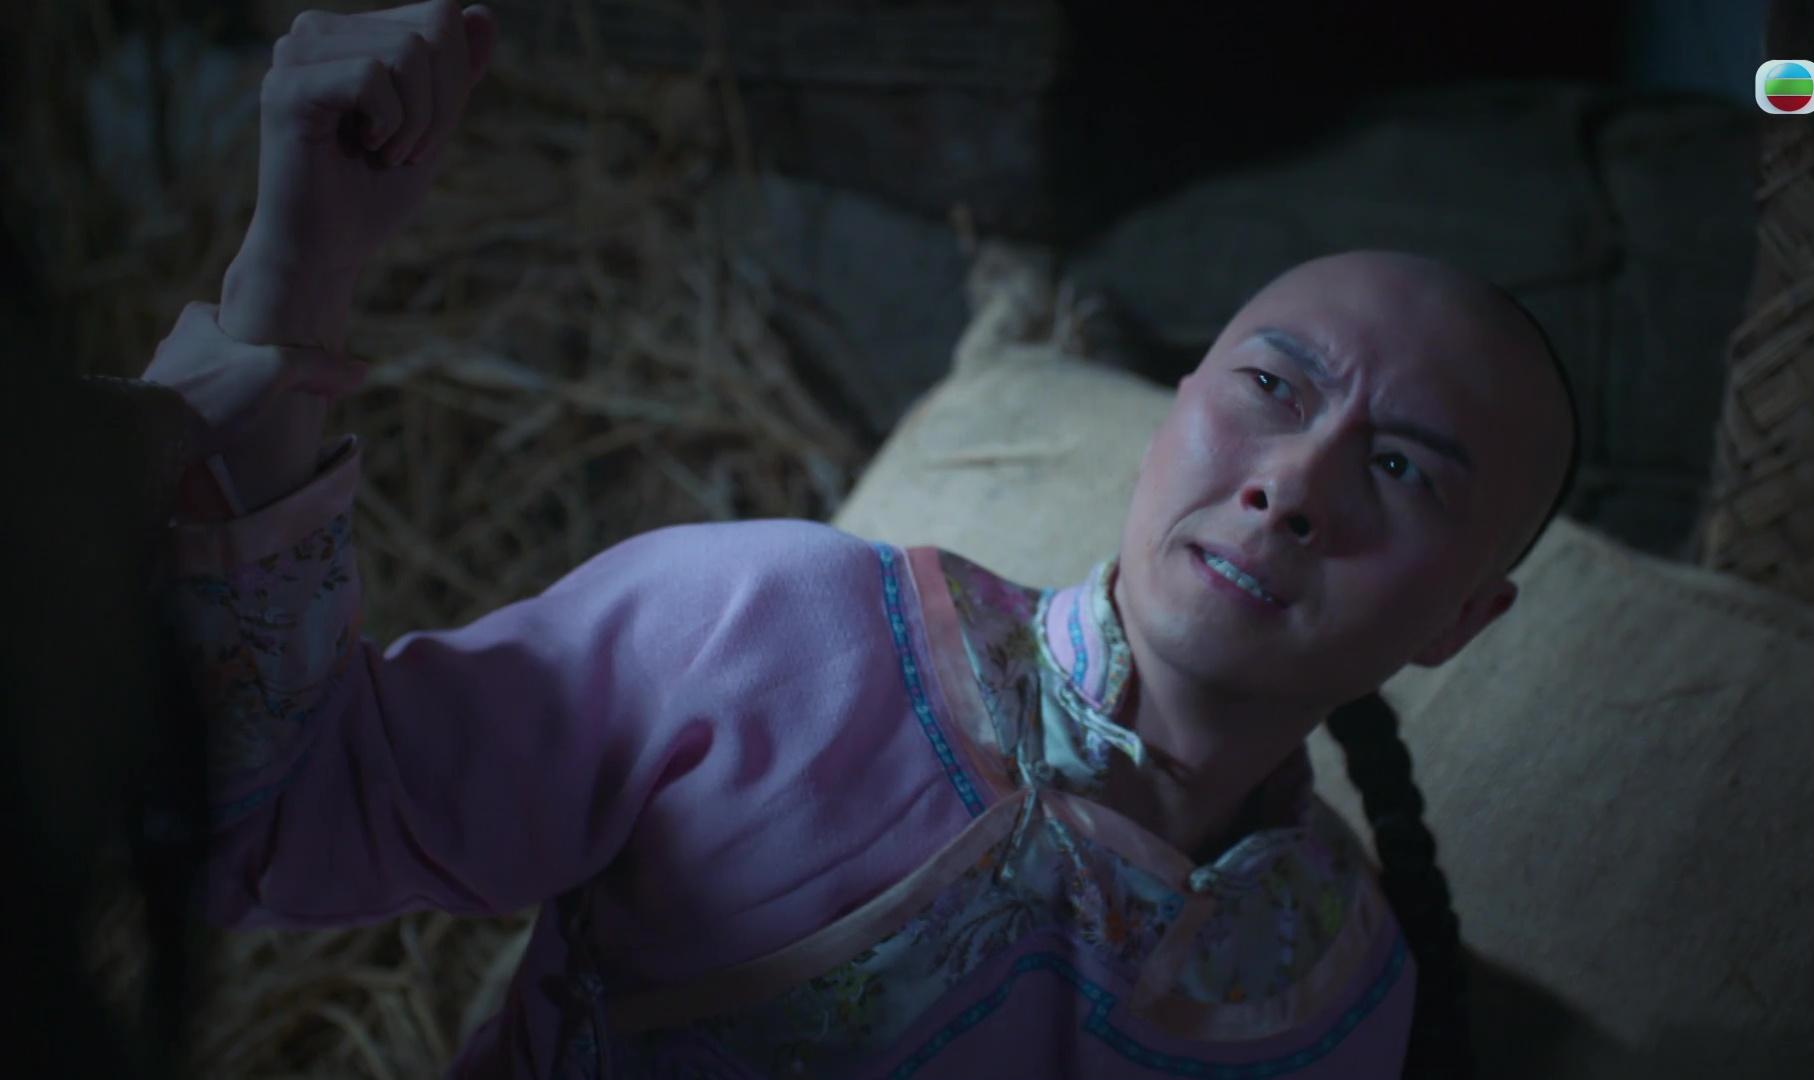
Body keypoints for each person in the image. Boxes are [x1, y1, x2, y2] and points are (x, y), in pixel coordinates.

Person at [142, 2, 1579, 1077]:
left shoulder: (1338, 995)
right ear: (1171, 416)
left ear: (1460, 622)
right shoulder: (763, 628)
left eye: (1401, 468)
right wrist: (299, 267)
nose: (1293, 485)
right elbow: (253, 827)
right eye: (1272, 387)